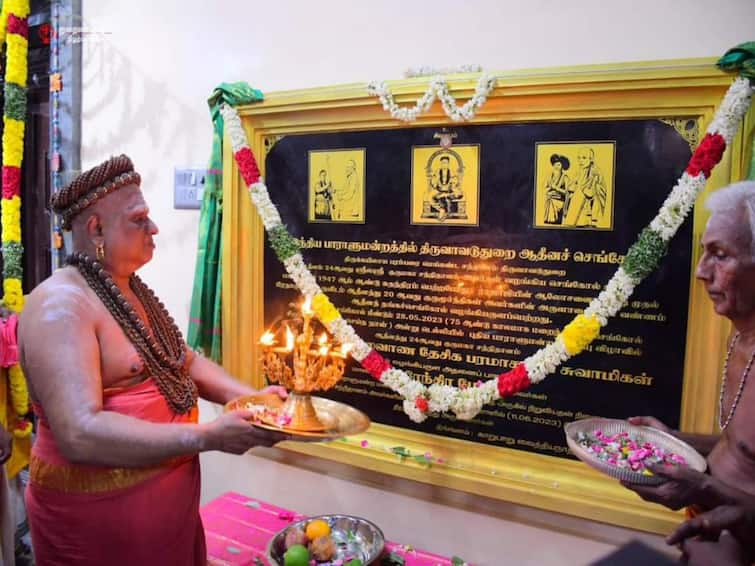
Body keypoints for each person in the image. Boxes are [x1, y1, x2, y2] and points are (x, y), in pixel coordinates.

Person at [19, 155, 290, 566]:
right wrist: (208, 437)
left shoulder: (128, 289)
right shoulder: (60, 306)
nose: (154, 227)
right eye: (139, 218)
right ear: (96, 229)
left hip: (167, 511)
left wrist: (255, 401)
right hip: (99, 525)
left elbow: (184, 362)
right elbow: (80, 432)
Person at [622, 181, 755, 560]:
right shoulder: (741, 338)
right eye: (703, 254)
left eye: (720, 255)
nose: (700, 272)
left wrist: (703, 489)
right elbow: (742, 451)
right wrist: (674, 443)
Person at [563, 147, 606, 227]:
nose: (581, 160)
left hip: (588, 202)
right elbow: (571, 186)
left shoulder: (595, 172)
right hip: (576, 202)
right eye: (579, 158)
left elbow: (597, 190)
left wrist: (584, 189)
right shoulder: (579, 171)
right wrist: (572, 188)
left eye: (584, 158)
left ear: (591, 159)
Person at [543, 153, 570, 225]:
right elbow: (544, 189)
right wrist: (549, 190)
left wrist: (556, 188)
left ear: (562, 166)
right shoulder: (550, 176)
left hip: (559, 202)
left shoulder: (565, 177)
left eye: (559, 165)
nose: (556, 167)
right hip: (549, 200)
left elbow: (567, 193)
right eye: (555, 165)